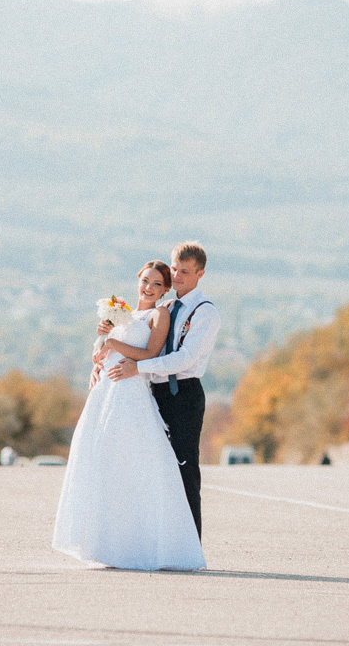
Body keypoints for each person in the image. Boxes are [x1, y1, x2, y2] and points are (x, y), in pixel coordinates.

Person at [52, 260, 205, 571]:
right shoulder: (123, 312)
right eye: (145, 281)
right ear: (138, 280)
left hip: (131, 392)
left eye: (157, 285)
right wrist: (98, 353)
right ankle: (105, 542)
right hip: (106, 390)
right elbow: (103, 352)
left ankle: (140, 544)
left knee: (131, 462)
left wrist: (113, 342)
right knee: (102, 460)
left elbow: (150, 352)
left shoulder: (158, 314)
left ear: (164, 290)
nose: (149, 288)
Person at [107, 241, 220, 539]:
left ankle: (189, 542)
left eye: (185, 271)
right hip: (153, 392)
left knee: (184, 468)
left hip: (183, 394)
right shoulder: (166, 307)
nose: (178, 276)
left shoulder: (204, 312)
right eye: (174, 269)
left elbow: (184, 359)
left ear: (200, 273)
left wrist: (137, 368)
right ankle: (158, 538)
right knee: (154, 467)